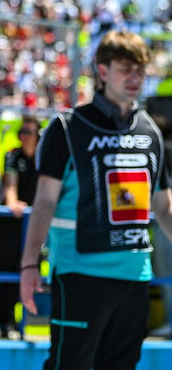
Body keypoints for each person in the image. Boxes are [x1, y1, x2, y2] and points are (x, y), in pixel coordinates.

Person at [20, 30, 172, 370]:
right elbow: (44, 203)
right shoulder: (67, 127)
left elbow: (163, 207)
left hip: (135, 276)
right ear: (102, 71)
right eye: (125, 69)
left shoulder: (150, 131)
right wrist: (29, 265)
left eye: (140, 71)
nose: (135, 78)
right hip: (79, 274)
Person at [0, 116, 40, 337]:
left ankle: (14, 320)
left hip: (33, 226)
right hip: (10, 224)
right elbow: (9, 183)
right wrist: (13, 203)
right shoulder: (12, 155)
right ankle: (1, 322)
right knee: (8, 271)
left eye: (30, 133)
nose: (26, 137)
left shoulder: (44, 159)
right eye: (23, 132)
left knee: (26, 272)